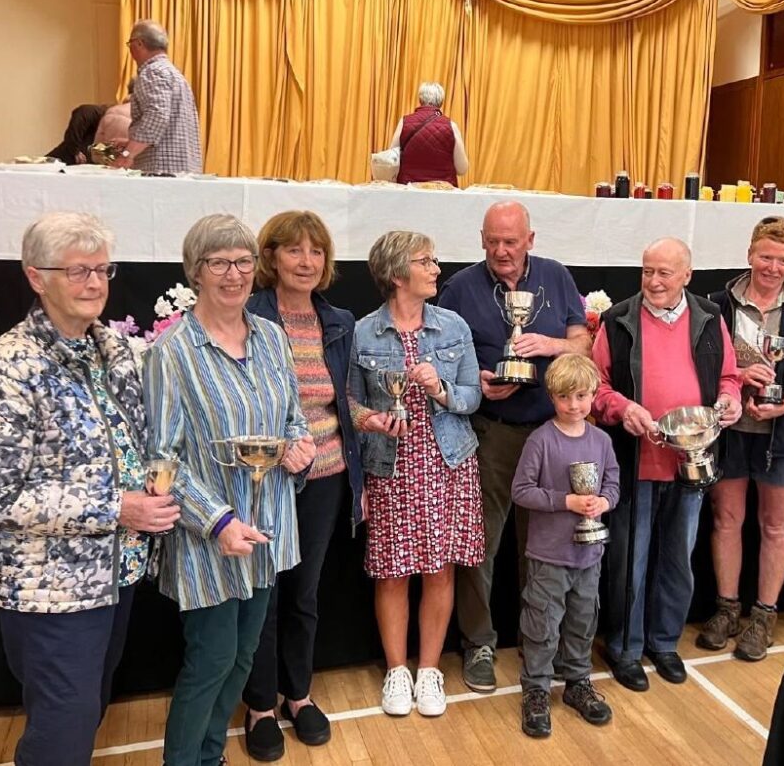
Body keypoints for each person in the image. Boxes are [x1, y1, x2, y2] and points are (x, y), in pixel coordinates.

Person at [0, 211, 180, 766]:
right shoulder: (9, 365)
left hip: (115, 572)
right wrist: (116, 507)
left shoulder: (110, 351)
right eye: (78, 270)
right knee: (66, 722)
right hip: (50, 588)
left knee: (86, 708)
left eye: (103, 270)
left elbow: (134, 442)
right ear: (36, 277)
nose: (94, 284)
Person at [145, 214, 317, 766]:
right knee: (212, 660)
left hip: (265, 530)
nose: (234, 273)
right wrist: (217, 520)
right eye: (219, 262)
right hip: (210, 539)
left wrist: (299, 446)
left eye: (243, 261)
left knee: (244, 659)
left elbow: (293, 417)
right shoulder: (172, 353)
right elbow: (159, 461)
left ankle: (211, 756)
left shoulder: (270, 338)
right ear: (196, 272)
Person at [438, 200, 590, 693]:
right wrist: (478, 382)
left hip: (550, 433)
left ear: (530, 239)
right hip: (492, 430)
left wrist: (547, 346)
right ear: (482, 240)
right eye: (493, 241)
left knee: (543, 547)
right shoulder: (460, 288)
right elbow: (441, 358)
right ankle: (478, 643)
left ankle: (537, 637)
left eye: (511, 241)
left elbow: (582, 343)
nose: (502, 251)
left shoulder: (556, 276)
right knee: (481, 544)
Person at [592, 237, 743, 691]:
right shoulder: (617, 320)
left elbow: (729, 377)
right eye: (647, 271)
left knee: (679, 559)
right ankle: (625, 647)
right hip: (635, 460)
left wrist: (730, 400)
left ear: (687, 276)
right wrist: (623, 408)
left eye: (664, 273)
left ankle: (663, 643)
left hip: (691, 463)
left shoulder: (710, 317)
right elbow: (595, 386)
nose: (653, 281)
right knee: (629, 562)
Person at [241, 211, 364, 760]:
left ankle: (299, 693)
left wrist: (370, 417)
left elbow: (344, 399)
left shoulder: (338, 320)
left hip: (328, 476)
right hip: (267, 476)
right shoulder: (249, 315)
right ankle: (260, 704)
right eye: (294, 251)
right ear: (271, 258)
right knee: (263, 594)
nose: (306, 262)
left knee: (304, 593)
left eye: (316, 252)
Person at [347, 230, 485, 718]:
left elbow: (473, 397)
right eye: (426, 262)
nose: (436, 270)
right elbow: (349, 402)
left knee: (440, 568)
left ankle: (429, 671)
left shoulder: (453, 327)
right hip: (391, 465)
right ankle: (397, 671)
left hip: (447, 463)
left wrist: (443, 389)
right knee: (391, 573)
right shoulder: (363, 332)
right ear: (397, 273)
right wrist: (371, 420)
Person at [701, 216, 784, 662]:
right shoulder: (719, 303)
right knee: (726, 520)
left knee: (776, 526)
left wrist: (783, 404)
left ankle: (764, 615)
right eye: (765, 257)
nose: (773, 267)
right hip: (731, 430)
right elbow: (706, 364)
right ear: (749, 254)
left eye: (783, 260)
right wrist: (738, 379)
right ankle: (726, 609)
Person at [512, 354, 619, 738]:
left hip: (589, 556)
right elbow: (521, 491)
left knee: (582, 621)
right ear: (552, 397)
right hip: (548, 556)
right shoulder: (540, 440)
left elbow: (612, 486)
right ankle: (537, 690)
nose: (574, 405)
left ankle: (577, 682)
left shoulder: (602, 441)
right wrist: (566, 501)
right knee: (542, 624)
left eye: (581, 396)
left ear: (593, 395)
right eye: (564, 397)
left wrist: (602, 503)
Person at [113, 19, 202, 174]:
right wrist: (131, 143)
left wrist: (128, 154)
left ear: (139, 44)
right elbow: (169, 128)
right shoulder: (176, 75)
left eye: (130, 43)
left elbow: (157, 115)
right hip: (183, 167)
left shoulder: (152, 72)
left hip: (161, 169)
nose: (130, 48)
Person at [390, 81, 469, 186]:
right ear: (441, 102)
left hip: (409, 190)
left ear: (420, 99)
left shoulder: (404, 122)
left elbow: (391, 159)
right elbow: (462, 169)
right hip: (443, 192)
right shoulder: (451, 126)